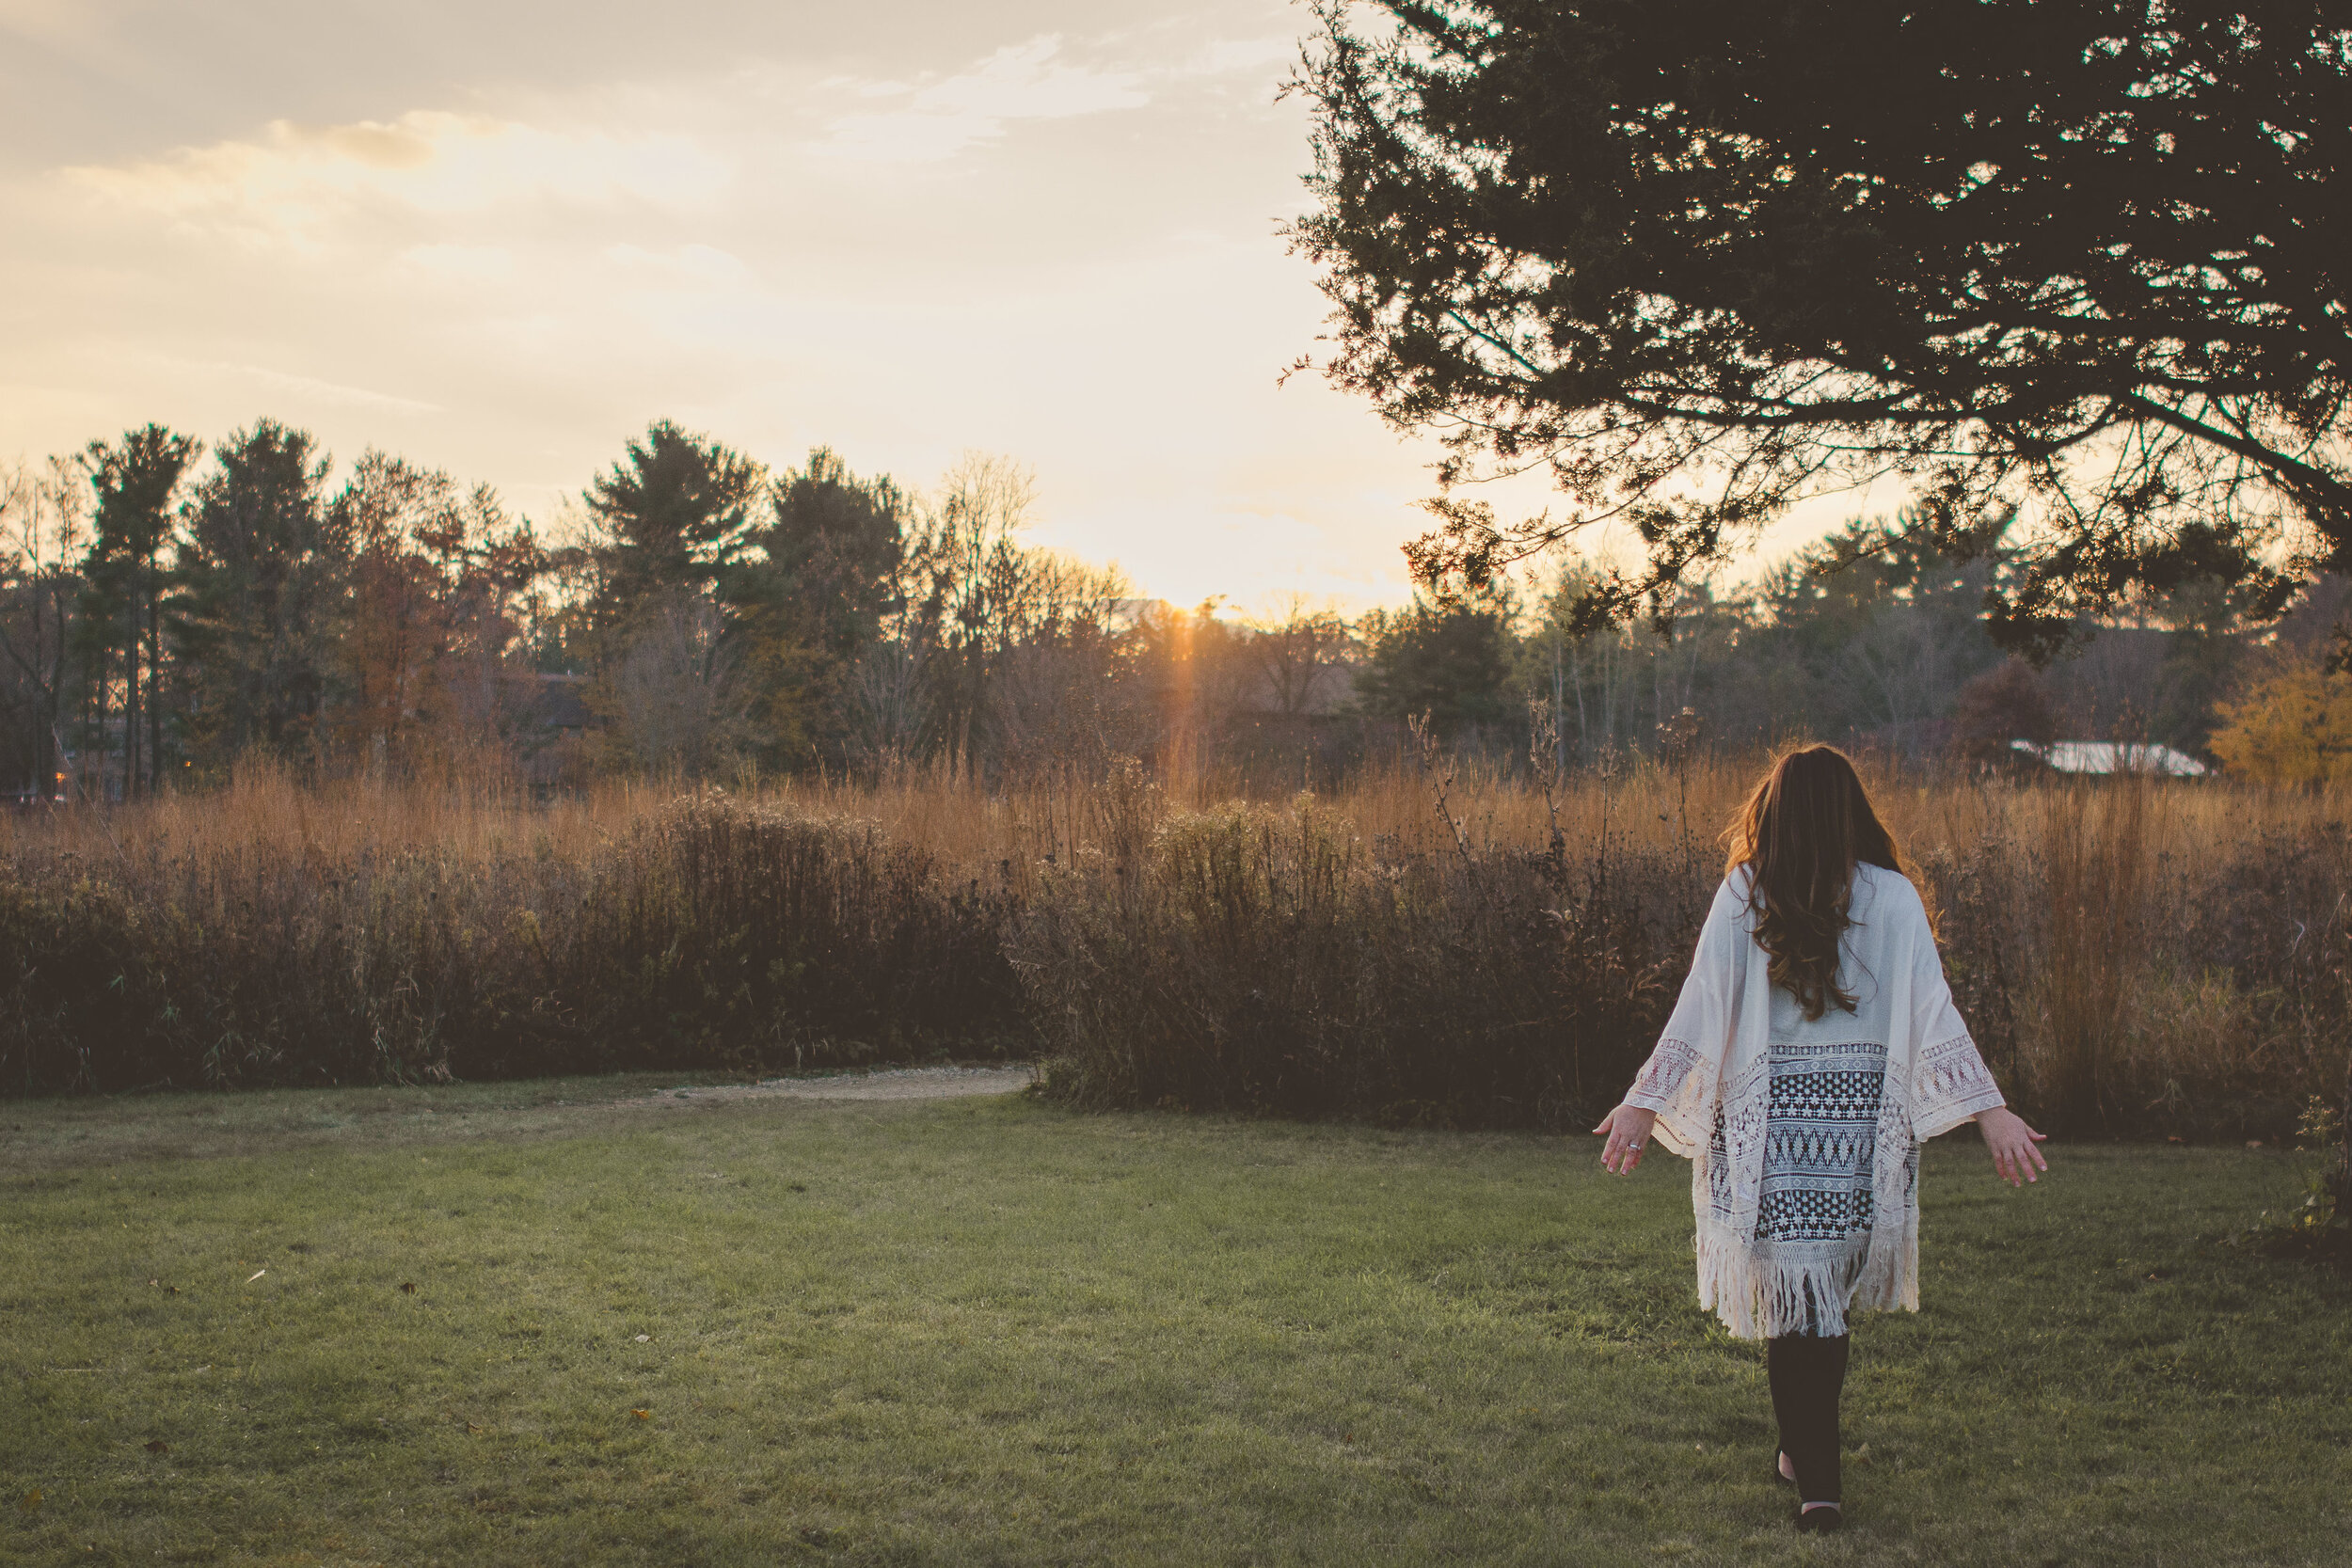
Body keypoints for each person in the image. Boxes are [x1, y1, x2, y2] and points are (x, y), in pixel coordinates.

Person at [1592, 745, 2047, 1533]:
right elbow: (1705, 1000)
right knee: (1809, 1307)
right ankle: (1818, 1480)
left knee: (1808, 1308)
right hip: (1801, 1137)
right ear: (1849, 812)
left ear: (1774, 810)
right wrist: (1645, 1097)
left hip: (1835, 1141)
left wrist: (1989, 1107)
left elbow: (1930, 1008)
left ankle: (1804, 1453)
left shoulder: (1814, 896)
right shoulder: (1773, 895)